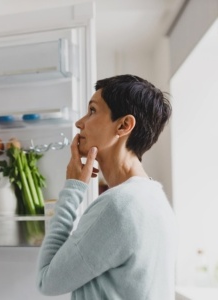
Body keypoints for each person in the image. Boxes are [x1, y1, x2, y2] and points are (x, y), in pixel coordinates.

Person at [36, 74, 176, 299]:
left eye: (92, 110)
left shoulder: (118, 206)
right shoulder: (155, 199)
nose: (79, 123)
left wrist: (72, 189)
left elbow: (47, 281)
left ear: (123, 125)